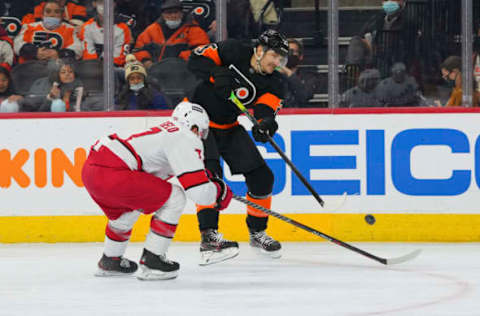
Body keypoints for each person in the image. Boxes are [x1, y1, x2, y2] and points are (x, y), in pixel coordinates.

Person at [81, 101, 233, 280]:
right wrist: (219, 191)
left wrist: (205, 178)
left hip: (92, 170)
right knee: (175, 197)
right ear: (194, 126)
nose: (200, 136)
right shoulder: (184, 136)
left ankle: (110, 260)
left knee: (128, 209)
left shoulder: (167, 131)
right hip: (114, 171)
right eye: (201, 131)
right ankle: (153, 261)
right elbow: (199, 193)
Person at [188, 29, 288, 265]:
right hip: (198, 121)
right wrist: (216, 73)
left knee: (263, 177)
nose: (277, 62)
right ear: (261, 50)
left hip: (228, 126)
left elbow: (266, 111)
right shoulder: (233, 49)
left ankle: (256, 232)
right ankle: (209, 237)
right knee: (211, 177)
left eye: (281, 59)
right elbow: (194, 60)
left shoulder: (274, 82)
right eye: (275, 56)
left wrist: (265, 124)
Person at [133, 0, 210, 68]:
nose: (173, 16)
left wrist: (181, 60)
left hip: (183, 73)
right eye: (169, 13)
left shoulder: (194, 29)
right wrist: (146, 61)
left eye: (176, 12)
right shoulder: (152, 29)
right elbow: (138, 49)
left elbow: (203, 51)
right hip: (154, 72)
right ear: (163, 15)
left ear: (182, 13)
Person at [14, 0, 83, 63]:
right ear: (42, 15)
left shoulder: (70, 30)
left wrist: (59, 54)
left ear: (62, 16)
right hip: (31, 67)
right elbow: (17, 44)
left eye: (56, 12)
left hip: (58, 68)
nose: (52, 15)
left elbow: (78, 50)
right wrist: (35, 52)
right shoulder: (29, 27)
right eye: (48, 11)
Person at [79, 0, 132, 66]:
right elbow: (88, 54)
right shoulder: (87, 27)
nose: (104, 6)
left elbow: (118, 57)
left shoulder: (123, 29)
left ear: (114, 4)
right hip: (92, 67)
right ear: (94, 3)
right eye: (101, 2)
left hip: (114, 68)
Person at [277, 38, 317, 108]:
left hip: (299, 116)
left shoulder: (308, 76)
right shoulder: (274, 76)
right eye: (286, 51)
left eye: (292, 52)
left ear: (300, 56)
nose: (289, 55)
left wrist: (289, 74)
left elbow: (304, 96)